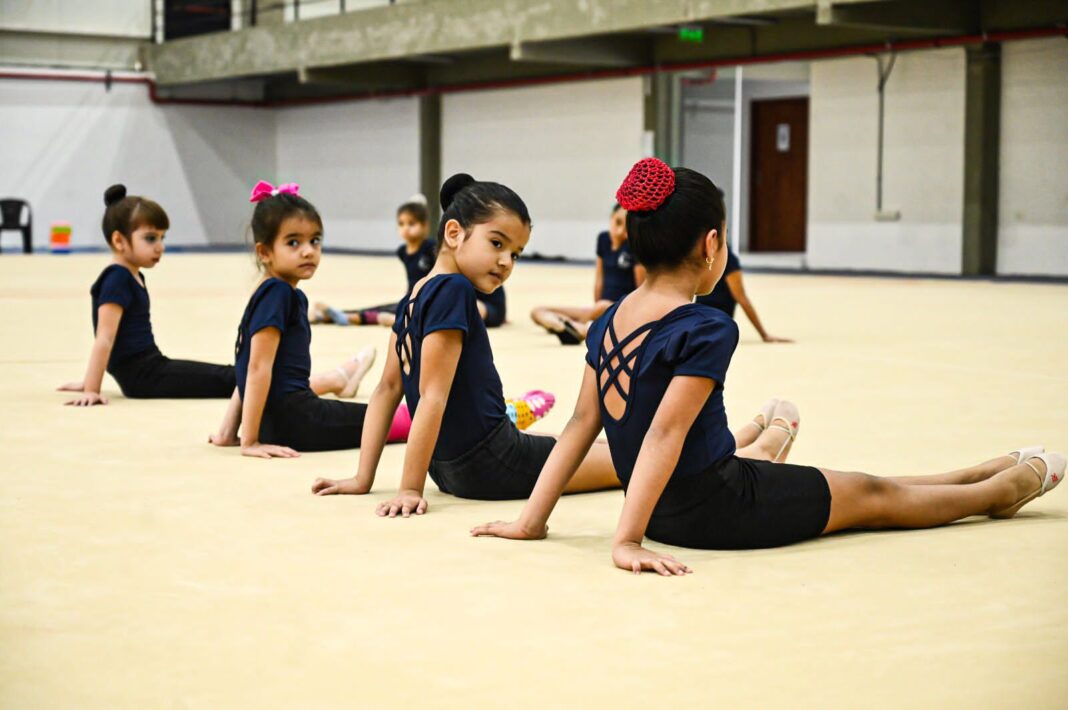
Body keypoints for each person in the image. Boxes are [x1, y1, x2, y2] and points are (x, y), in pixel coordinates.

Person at [471, 158, 1063, 575]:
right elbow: (665, 434)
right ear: (711, 246)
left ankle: (979, 473)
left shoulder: (607, 322)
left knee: (860, 485)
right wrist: (624, 541)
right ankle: (996, 492)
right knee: (871, 494)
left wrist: (532, 520)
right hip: (720, 507)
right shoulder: (704, 327)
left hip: (670, 513)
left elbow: (577, 428)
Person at [310, 173, 621, 510]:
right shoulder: (454, 290)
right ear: (454, 233)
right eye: (497, 244)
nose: (506, 262)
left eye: (516, 254)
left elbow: (386, 390)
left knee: (583, 444)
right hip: (493, 461)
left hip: (448, 469)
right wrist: (410, 489)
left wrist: (363, 478)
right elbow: (432, 396)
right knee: (630, 461)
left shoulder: (413, 297)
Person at [209, 181, 407, 458]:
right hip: (299, 421)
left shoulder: (272, 293)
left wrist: (227, 431)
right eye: (293, 242)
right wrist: (250, 441)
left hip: (285, 420)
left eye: (315, 240)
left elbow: (244, 366)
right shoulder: (278, 294)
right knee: (403, 418)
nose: (308, 251)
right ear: (264, 252)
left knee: (392, 414)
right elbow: (255, 368)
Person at [312, 196, 508, 329]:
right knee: (395, 305)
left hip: (478, 305)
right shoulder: (403, 252)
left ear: (425, 226)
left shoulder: (433, 248)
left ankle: (373, 318)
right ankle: (340, 315)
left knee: (418, 309)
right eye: (401, 224)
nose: (406, 229)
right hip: (424, 297)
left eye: (412, 224)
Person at [530, 204, 645, 344]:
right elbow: (599, 278)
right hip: (597, 309)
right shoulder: (603, 239)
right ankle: (564, 326)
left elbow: (641, 288)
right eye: (617, 222)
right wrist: (595, 306)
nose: (620, 230)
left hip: (619, 308)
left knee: (603, 306)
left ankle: (580, 327)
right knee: (537, 311)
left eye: (626, 227)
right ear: (611, 218)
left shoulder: (634, 246)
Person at [694, 246, 791, 343]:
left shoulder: (705, 256)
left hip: (699, 319)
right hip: (716, 322)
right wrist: (764, 334)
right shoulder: (728, 260)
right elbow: (741, 298)